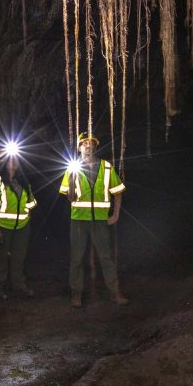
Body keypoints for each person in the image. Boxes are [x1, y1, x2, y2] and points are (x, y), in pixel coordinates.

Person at [59, 132, 129, 308]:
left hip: (100, 219)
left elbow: (118, 191)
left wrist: (116, 214)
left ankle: (115, 293)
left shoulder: (106, 167)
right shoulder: (71, 168)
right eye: (84, 143)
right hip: (78, 220)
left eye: (91, 143)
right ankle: (76, 294)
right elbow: (70, 197)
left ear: (95, 147)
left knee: (106, 257)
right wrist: (74, 178)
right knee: (77, 257)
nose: (88, 146)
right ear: (79, 147)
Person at [0, 155, 37, 300]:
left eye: (16, 160)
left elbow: (30, 204)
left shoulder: (24, 182)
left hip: (22, 227)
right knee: (0, 258)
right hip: (2, 226)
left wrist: (27, 221)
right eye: (10, 160)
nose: (13, 163)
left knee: (19, 257)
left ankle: (19, 284)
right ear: (4, 163)